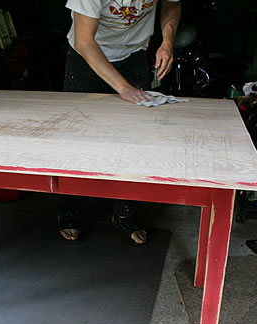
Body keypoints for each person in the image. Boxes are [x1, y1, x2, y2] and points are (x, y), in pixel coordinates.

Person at [58, 0, 181, 244]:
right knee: (77, 138)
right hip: (87, 55)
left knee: (135, 140)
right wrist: (123, 87)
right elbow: (84, 40)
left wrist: (167, 41)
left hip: (134, 54)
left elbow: (172, 3)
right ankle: (70, 211)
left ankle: (124, 214)